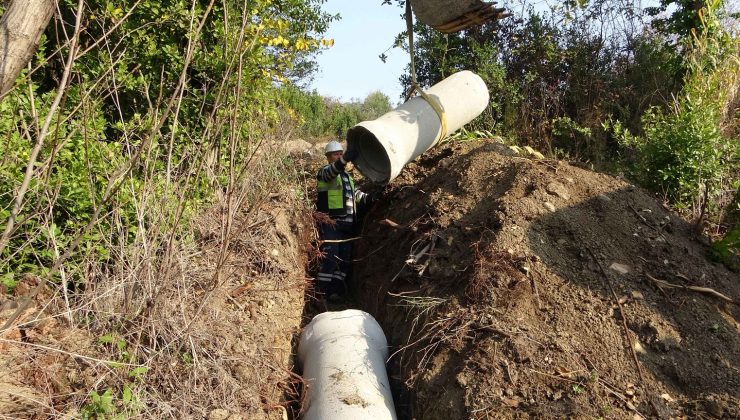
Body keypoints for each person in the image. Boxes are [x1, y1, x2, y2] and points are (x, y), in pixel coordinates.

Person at [315, 140, 379, 302]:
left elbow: (357, 196)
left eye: (341, 153)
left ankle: (334, 293)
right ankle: (321, 294)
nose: (339, 155)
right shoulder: (324, 173)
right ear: (328, 157)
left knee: (344, 260)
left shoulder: (348, 177)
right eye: (336, 154)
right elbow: (331, 172)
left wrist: (372, 197)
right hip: (332, 224)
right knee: (330, 257)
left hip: (348, 226)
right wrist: (343, 161)